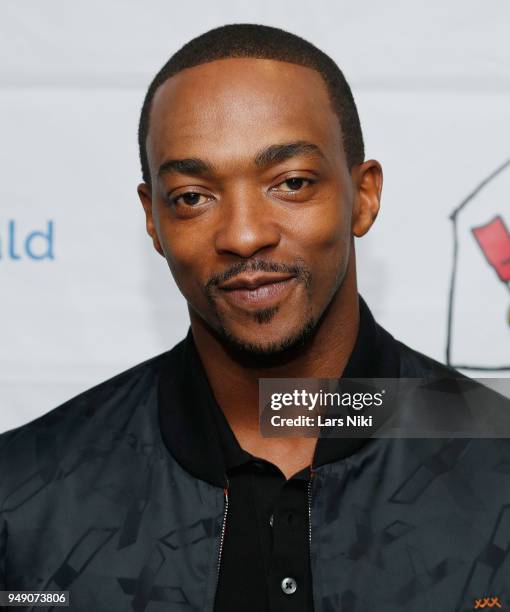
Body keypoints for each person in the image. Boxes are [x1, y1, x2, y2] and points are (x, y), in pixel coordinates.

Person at [1, 23, 509, 612]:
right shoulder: (26, 497)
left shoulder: (495, 460)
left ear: (363, 196)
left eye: (291, 183)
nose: (244, 235)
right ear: (153, 220)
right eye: (193, 196)